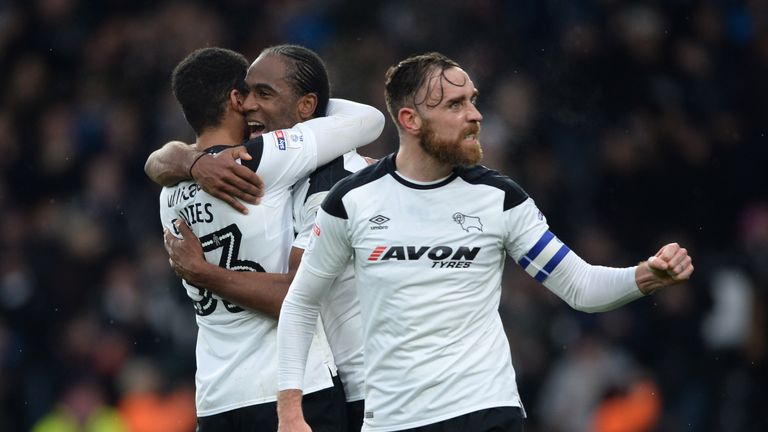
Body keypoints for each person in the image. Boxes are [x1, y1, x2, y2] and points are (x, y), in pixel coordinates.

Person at [275, 52, 694, 432]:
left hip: (486, 411)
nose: (475, 115)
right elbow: (300, 302)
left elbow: (580, 287)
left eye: (473, 100)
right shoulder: (352, 200)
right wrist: (290, 412)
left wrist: (644, 276)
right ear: (410, 120)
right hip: (393, 421)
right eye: (455, 105)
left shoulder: (501, 198)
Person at [157, 46, 384, 431]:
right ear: (235, 98)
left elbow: (159, 162)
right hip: (292, 389)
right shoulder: (262, 161)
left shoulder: (167, 192)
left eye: (265, 93)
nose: (253, 105)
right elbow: (370, 119)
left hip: (216, 399)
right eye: (250, 93)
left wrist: (188, 159)